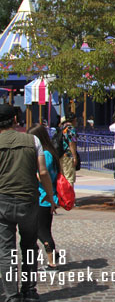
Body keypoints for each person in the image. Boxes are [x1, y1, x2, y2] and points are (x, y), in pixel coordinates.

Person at [0, 104, 57, 302]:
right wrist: (50, 197)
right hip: (29, 200)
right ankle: (29, 290)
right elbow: (43, 172)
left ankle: (11, 295)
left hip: (3, 201)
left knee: (5, 251)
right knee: (29, 246)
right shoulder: (32, 140)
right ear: (15, 120)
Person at [28, 124, 62, 271]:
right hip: (47, 197)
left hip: (44, 197)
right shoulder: (50, 152)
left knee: (41, 231)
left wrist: (30, 172)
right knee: (43, 228)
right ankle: (53, 255)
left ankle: (51, 262)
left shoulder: (46, 155)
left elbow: (44, 175)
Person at [59, 112, 78, 185]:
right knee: (69, 178)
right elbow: (71, 143)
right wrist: (74, 156)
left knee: (62, 176)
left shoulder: (62, 128)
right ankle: (68, 195)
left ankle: (62, 195)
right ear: (73, 120)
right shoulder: (71, 129)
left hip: (60, 154)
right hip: (68, 155)